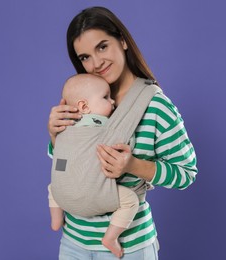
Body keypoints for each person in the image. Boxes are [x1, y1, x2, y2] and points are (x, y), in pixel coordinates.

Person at [47, 6, 198, 259]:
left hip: (128, 246)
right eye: (84, 57)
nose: (96, 63)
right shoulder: (83, 98)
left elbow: (186, 174)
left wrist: (132, 165)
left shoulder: (156, 106)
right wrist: (55, 136)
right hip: (73, 240)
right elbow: (70, 168)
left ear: (123, 41)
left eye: (102, 47)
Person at [48, 73, 140, 258]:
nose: (112, 101)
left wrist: (53, 135)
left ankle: (56, 220)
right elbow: (124, 141)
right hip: (93, 191)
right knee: (130, 200)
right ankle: (111, 237)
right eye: (106, 97)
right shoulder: (105, 126)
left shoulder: (63, 126)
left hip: (64, 191)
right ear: (84, 106)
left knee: (53, 188)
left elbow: (60, 157)